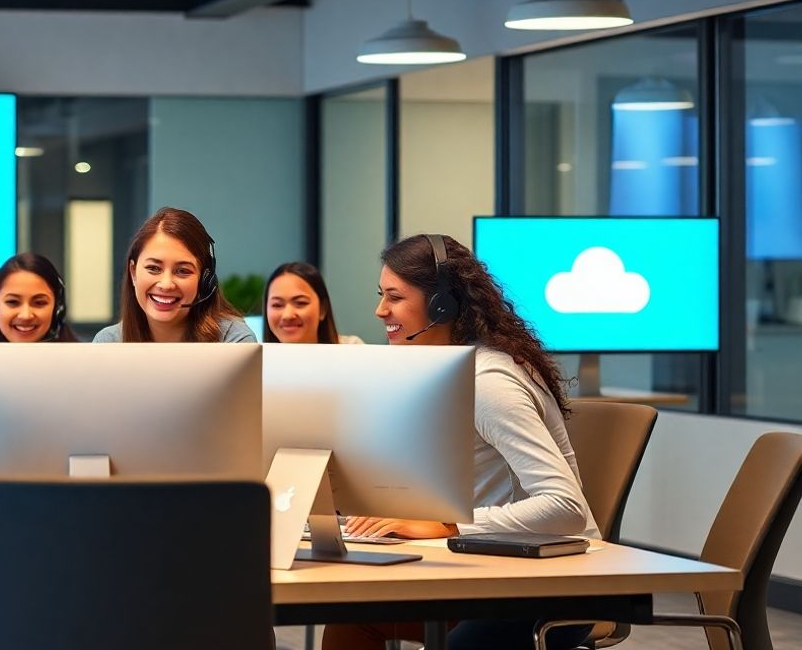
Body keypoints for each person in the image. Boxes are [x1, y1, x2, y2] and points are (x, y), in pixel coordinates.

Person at [322, 234, 596, 650]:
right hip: (485, 571)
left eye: (395, 297)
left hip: (547, 588)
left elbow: (566, 506)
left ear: (441, 305)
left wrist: (449, 525)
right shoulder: (439, 372)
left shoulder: (487, 382)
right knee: (354, 618)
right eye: (381, 296)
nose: (380, 311)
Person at [93, 207, 254, 343]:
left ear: (205, 280)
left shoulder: (233, 340)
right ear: (133, 272)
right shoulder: (108, 342)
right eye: (154, 268)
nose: (166, 284)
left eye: (182, 271)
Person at [262, 261, 363, 344]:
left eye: (301, 303)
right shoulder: (257, 359)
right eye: (277, 305)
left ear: (323, 309)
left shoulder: (353, 350)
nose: (287, 315)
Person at [0, 252, 77, 343]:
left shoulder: (84, 352)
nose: (25, 316)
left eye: (39, 303)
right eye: (13, 302)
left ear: (57, 308)